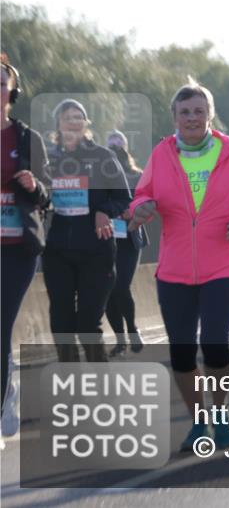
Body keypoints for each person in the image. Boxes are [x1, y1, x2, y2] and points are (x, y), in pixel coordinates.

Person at [129, 80, 229, 452]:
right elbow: (142, 194)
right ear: (174, 117)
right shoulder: (162, 154)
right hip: (174, 267)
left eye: (198, 111)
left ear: (210, 115)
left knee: (214, 341)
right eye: (184, 112)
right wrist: (140, 209)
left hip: (226, 263)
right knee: (180, 350)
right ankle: (198, 421)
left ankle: (221, 413)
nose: (192, 117)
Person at [43, 99, 131, 363]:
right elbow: (37, 195)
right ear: (58, 124)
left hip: (96, 252)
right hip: (58, 251)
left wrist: (104, 210)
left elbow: (125, 200)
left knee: (87, 325)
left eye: (79, 117)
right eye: (68, 117)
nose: (74, 121)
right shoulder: (49, 159)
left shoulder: (103, 157)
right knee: (61, 324)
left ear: (85, 124)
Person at [1, 55, 50, 438]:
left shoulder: (26, 138)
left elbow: (47, 196)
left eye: (2, 81)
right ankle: (8, 387)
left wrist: (34, 186)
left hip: (16, 248)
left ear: (11, 92)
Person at [105, 130, 148, 356]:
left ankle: (132, 330)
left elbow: (145, 202)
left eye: (118, 148)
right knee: (108, 290)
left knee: (121, 286)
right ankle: (120, 340)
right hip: (105, 237)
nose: (115, 153)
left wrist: (131, 211)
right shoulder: (99, 177)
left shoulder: (137, 176)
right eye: (110, 149)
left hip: (129, 238)